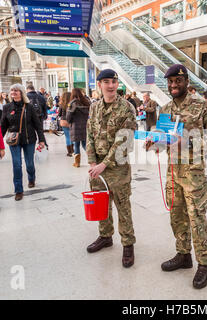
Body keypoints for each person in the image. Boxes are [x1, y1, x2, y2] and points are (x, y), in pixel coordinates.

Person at [149, 64, 207, 289]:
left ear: (186, 81)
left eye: (177, 81)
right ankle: (183, 255)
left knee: (197, 218)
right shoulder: (166, 108)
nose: (173, 85)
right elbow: (164, 139)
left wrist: (188, 142)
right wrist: (154, 142)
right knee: (177, 216)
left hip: (194, 174)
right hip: (173, 172)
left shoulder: (202, 106)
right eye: (170, 82)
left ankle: (204, 263)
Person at [86, 69, 137, 268]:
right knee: (101, 204)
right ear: (99, 85)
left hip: (117, 168)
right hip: (96, 167)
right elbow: (89, 133)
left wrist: (103, 164)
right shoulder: (94, 108)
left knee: (123, 207)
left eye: (114, 81)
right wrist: (92, 162)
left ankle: (128, 244)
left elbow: (123, 142)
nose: (111, 85)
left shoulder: (126, 108)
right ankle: (105, 236)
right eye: (106, 81)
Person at [0, 84, 46, 201]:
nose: (13, 92)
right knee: (16, 164)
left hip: (29, 139)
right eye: (12, 90)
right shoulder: (7, 107)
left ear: (21, 92)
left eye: (16, 90)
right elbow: (3, 126)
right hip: (14, 140)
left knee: (29, 163)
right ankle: (18, 190)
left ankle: (31, 177)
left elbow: (37, 125)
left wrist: (41, 140)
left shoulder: (29, 107)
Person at [66, 88, 90, 168]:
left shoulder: (72, 103)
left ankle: (77, 163)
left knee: (76, 145)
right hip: (85, 125)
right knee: (84, 144)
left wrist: (69, 122)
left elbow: (68, 117)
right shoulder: (86, 102)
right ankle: (92, 159)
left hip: (75, 126)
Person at [58, 92, 73, 157]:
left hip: (64, 121)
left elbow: (59, 114)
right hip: (71, 121)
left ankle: (69, 152)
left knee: (67, 136)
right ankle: (73, 151)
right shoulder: (73, 104)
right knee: (72, 136)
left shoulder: (61, 104)